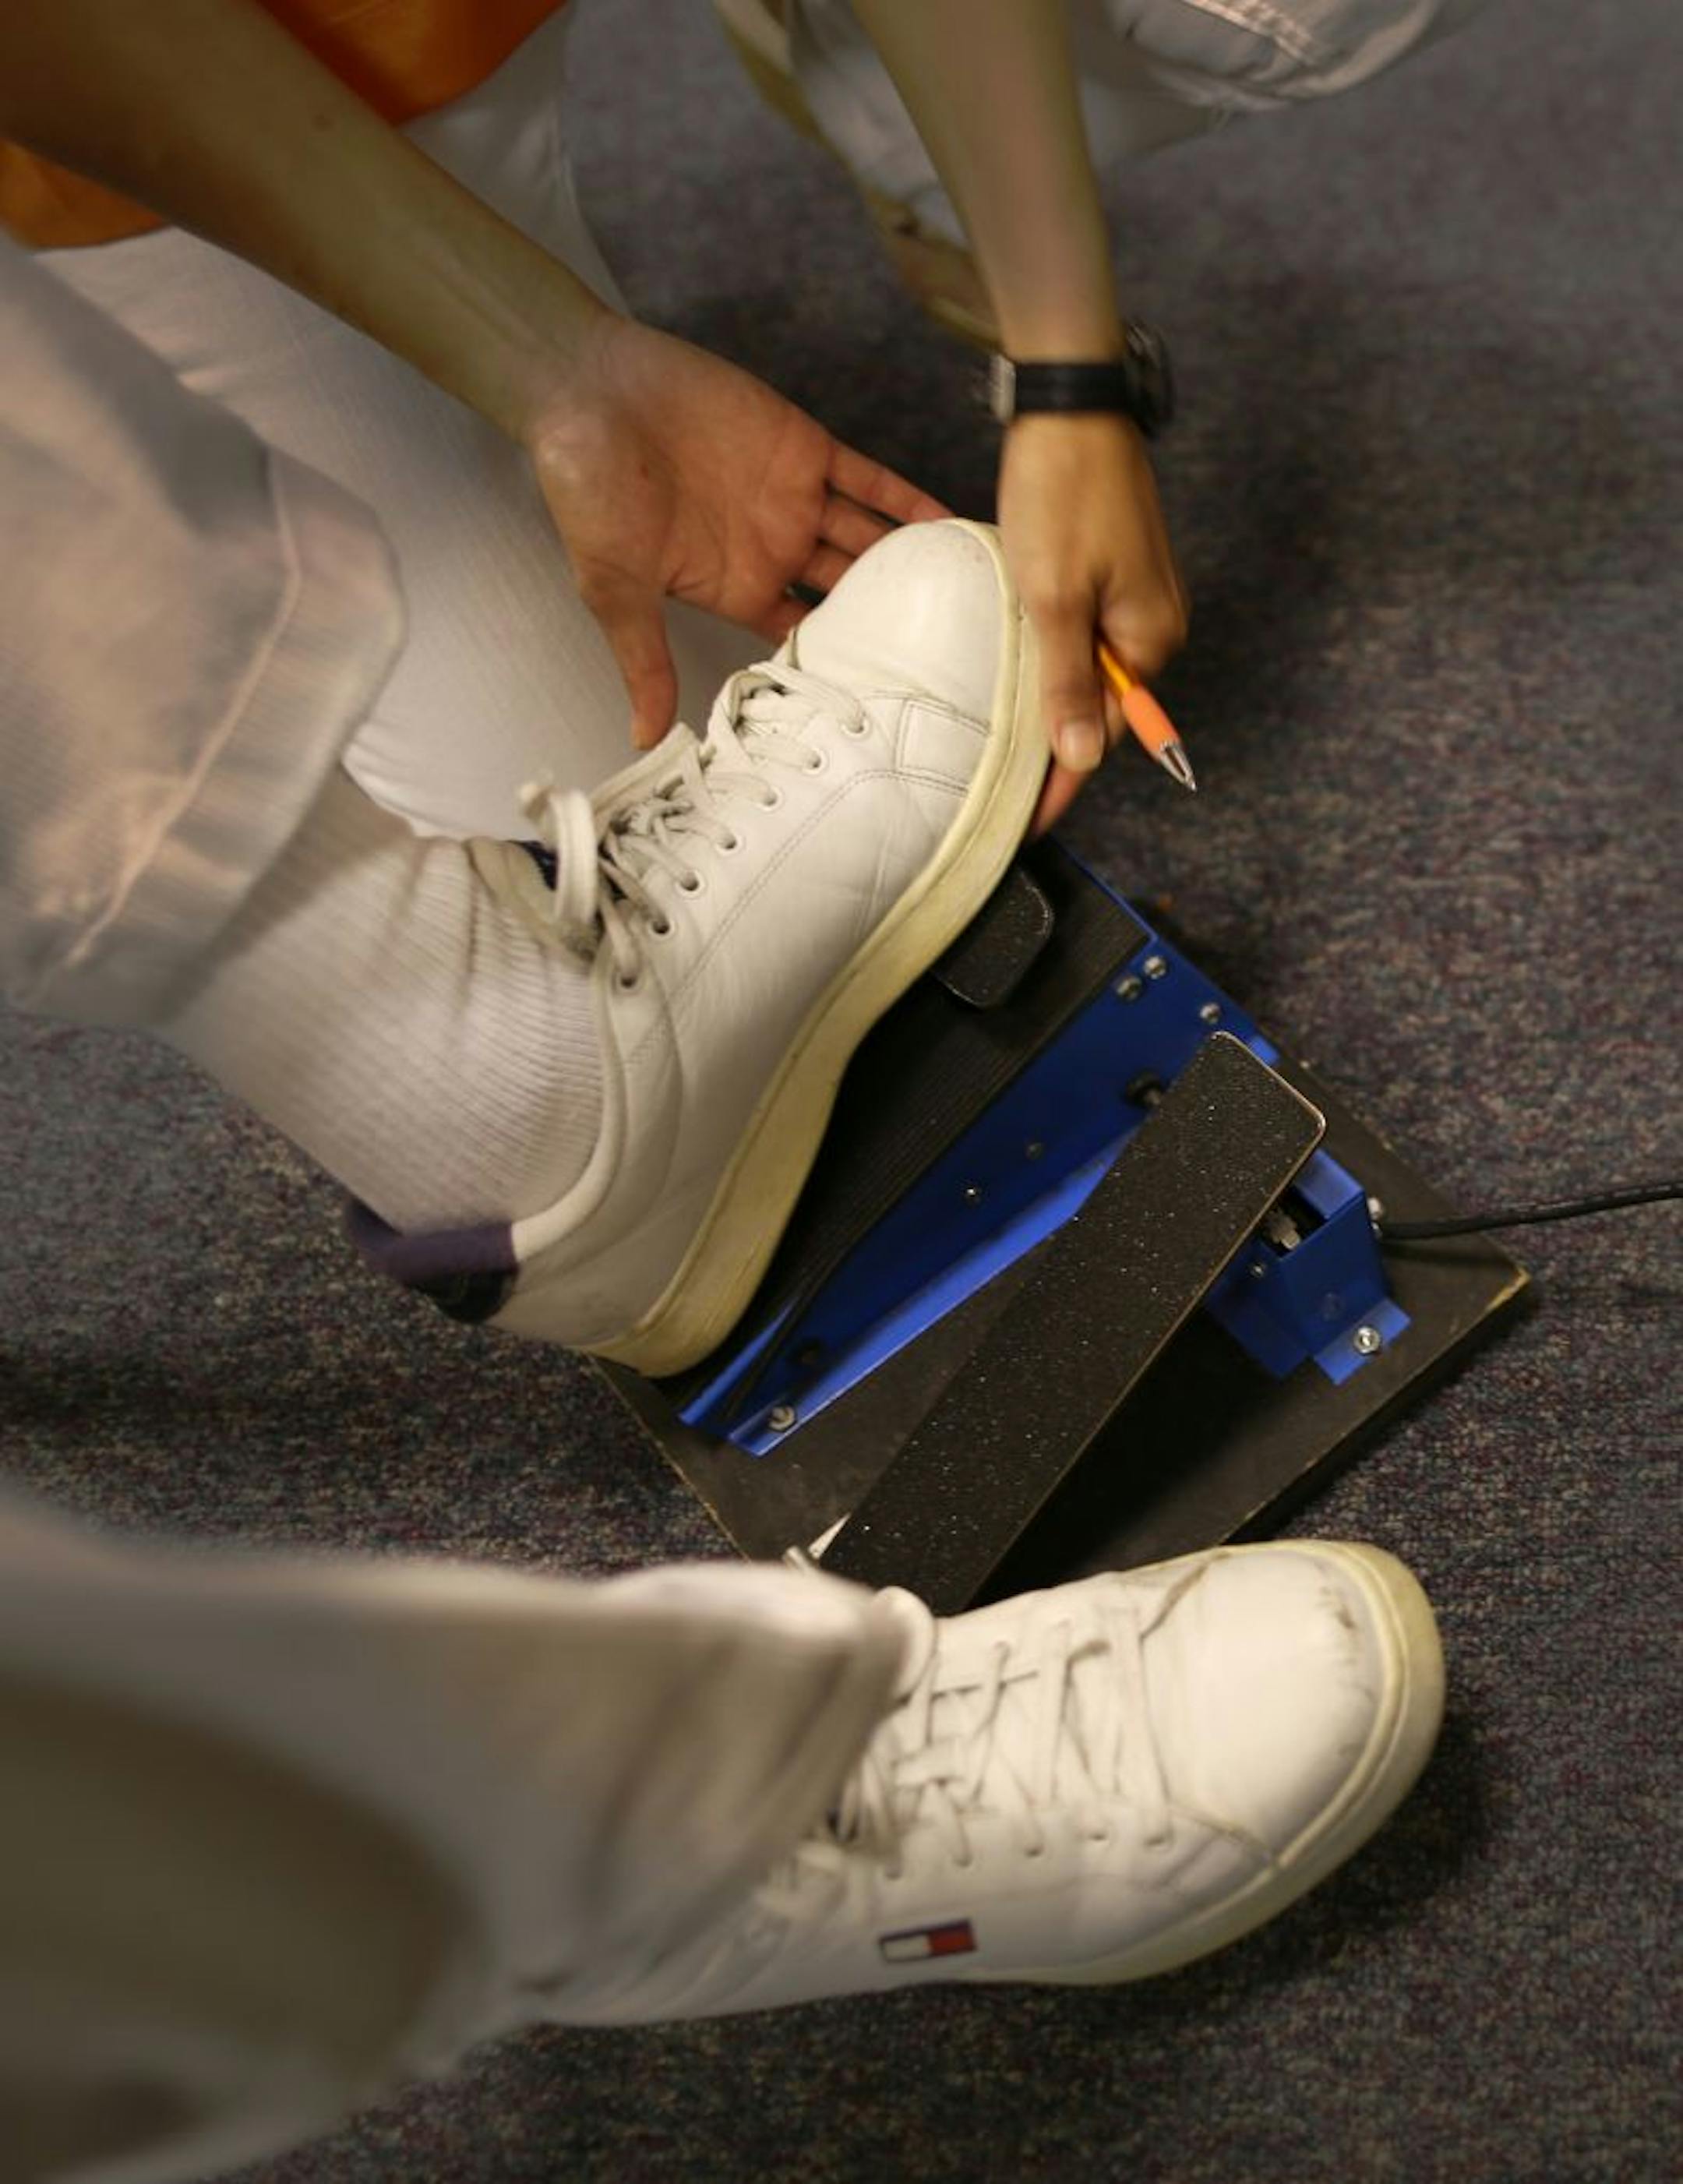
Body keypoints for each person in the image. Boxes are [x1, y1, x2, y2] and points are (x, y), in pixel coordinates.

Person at [0, 8, 1460, 2177]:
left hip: (421, 59)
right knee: (548, 738)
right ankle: (649, 1796)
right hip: (117, 190)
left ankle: (844, 81)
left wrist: (1058, 365)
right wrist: (551, 367)